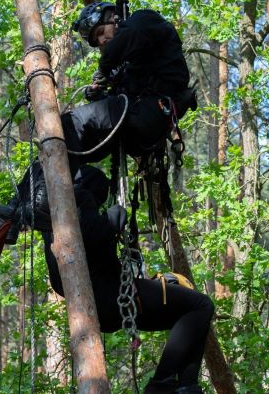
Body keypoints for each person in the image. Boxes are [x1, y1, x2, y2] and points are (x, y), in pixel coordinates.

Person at [0, 2, 195, 240]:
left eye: (100, 33)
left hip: (153, 111)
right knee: (58, 151)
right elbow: (121, 91)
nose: (102, 41)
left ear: (112, 18)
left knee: (67, 125)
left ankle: (42, 205)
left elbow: (129, 38)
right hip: (134, 121)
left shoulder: (144, 20)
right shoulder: (130, 63)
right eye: (95, 40)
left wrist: (106, 69)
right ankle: (13, 217)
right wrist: (102, 93)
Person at [43, 165, 213, 394]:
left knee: (189, 319)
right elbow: (92, 236)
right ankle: (164, 384)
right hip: (112, 298)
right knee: (200, 305)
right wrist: (112, 221)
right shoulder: (77, 202)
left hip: (102, 308)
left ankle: (186, 385)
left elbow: (67, 272)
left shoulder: (48, 223)